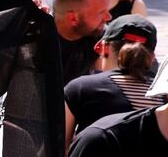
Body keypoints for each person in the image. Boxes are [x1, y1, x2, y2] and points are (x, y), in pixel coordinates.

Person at [63, 14, 162, 148]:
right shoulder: (165, 95)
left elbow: (58, 146)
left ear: (104, 48)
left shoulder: (80, 88)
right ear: (151, 58)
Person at [52, 0, 113, 85]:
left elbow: (103, 77)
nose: (109, 17)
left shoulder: (99, 36)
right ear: (73, 18)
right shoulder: (36, 42)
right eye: (101, 12)